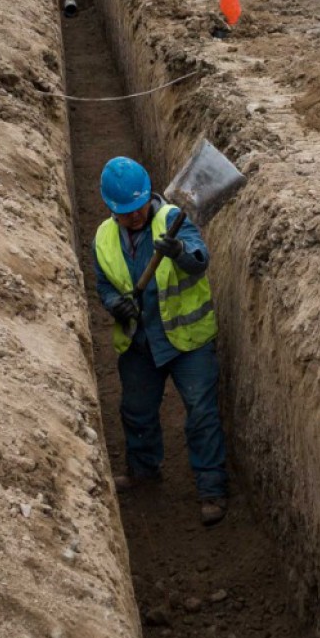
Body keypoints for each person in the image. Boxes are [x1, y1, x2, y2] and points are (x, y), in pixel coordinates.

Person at [91, 156, 228, 526]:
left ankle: (212, 488)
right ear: (111, 208)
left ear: (147, 197)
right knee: (136, 412)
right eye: (126, 213)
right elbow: (103, 283)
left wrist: (180, 253)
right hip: (139, 341)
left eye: (138, 209)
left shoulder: (171, 221)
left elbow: (200, 260)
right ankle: (143, 471)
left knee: (201, 411)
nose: (134, 217)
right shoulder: (104, 237)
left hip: (187, 341)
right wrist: (114, 304)